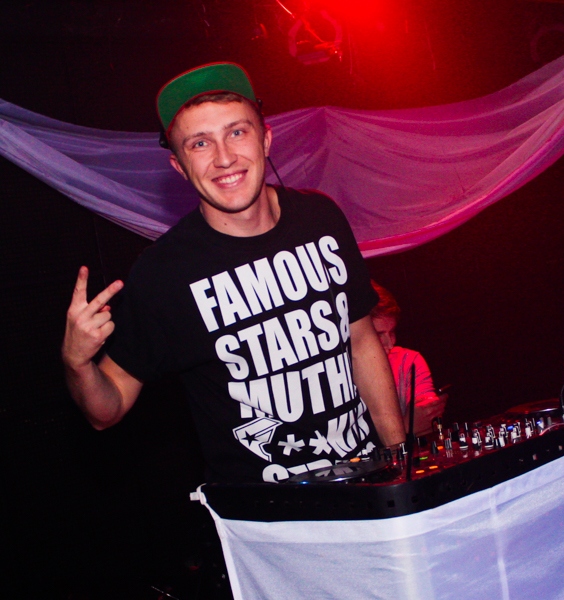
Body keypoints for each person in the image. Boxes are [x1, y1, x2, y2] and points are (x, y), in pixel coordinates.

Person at [62, 62, 405, 483]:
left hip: (369, 482)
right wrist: (77, 364)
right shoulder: (163, 272)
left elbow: (362, 343)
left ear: (265, 139)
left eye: (237, 132)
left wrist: (399, 459)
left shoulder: (321, 218)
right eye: (200, 143)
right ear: (179, 166)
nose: (224, 158)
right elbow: (106, 410)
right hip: (263, 511)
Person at [369, 281, 447, 436]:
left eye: (392, 332)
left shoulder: (408, 361)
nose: (391, 343)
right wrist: (406, 428)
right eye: (379, 335)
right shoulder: (336, 374)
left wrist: (428, 414)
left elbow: (425, 427)